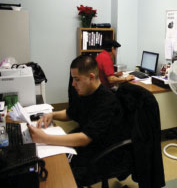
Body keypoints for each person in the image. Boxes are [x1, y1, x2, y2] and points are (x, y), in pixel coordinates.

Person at [28, 55, 128, 186]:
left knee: (57, 176)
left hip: (102, 154)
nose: (73, 84)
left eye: (76, 79)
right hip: (87, 146)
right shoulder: (86, 92)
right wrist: (52, 115)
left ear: (91, 77)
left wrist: (45, 138)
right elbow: (71, 113)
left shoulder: (107, 101)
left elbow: (85, 138)